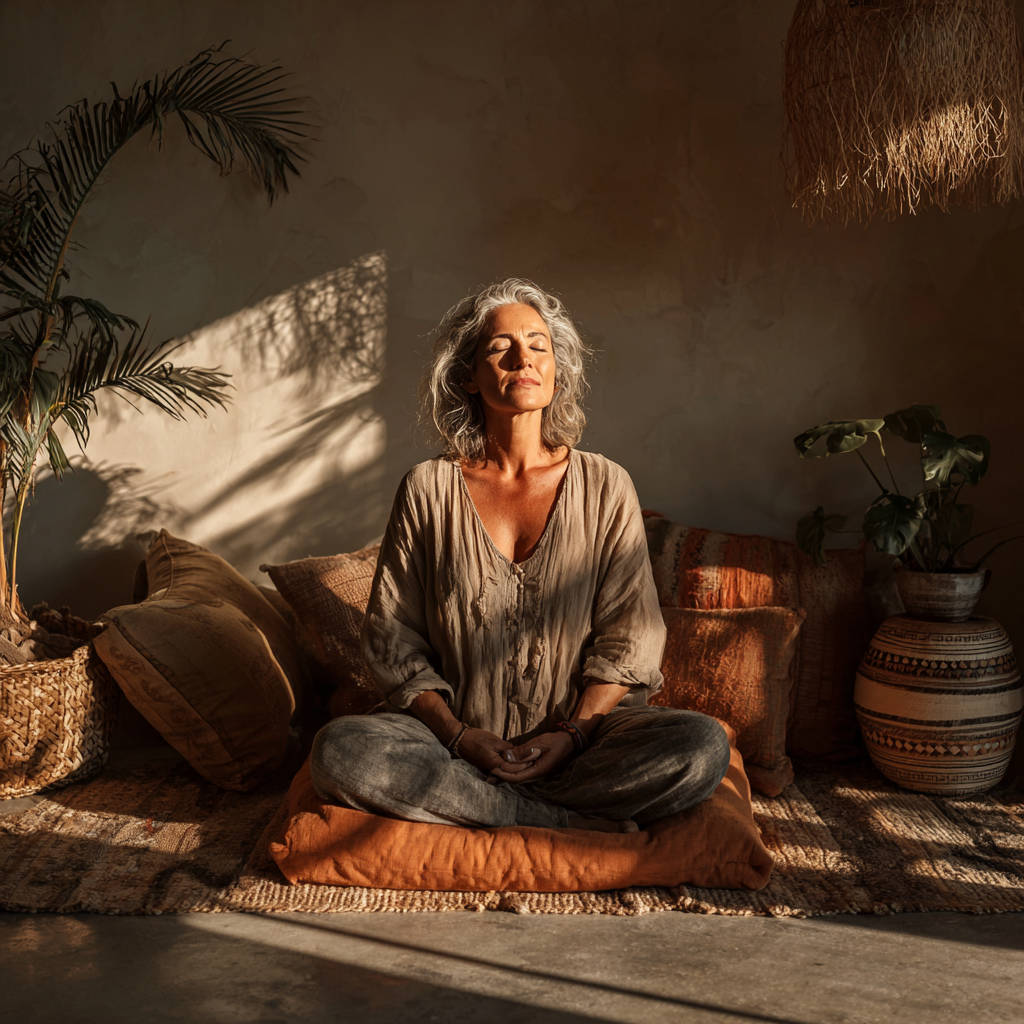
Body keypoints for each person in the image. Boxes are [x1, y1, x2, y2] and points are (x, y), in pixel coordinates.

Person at [310, 279, 730, 833]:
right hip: (452, 747)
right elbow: (394, 640)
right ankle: (559, 820)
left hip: (583, 744)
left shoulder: (606, 485)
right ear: (468, 375)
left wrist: (571, 734)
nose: (522, 357)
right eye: (499, 346)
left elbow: (632, 637)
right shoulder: (427, 488)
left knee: (701, 745)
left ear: (557, 372)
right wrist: (461, 737)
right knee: (341, 750)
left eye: (538, 345)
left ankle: (483, 810)